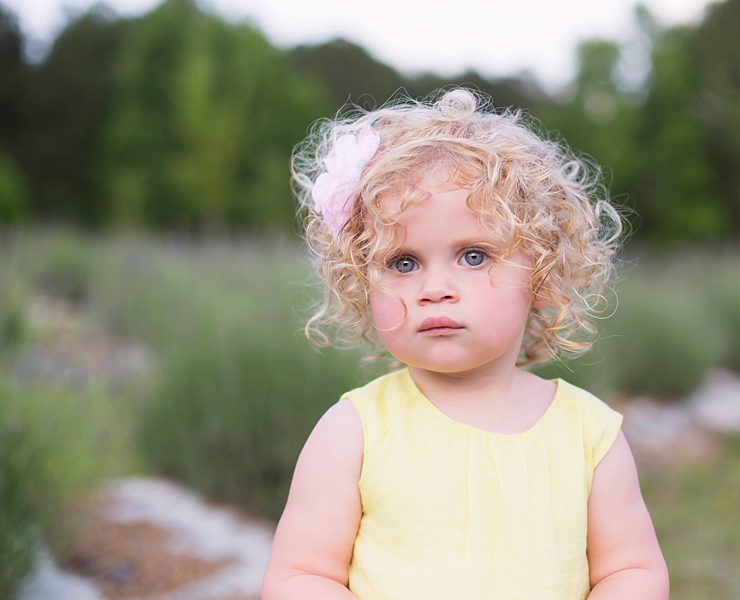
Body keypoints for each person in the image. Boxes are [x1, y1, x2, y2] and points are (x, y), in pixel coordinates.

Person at [261, 88, 668, 600]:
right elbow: (300, 577)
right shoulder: (354, 432)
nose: (435, 289)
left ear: (540, 275)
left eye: (473, 256)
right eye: (403, 263)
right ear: (363, 283)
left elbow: (630, 571)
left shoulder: (590, 435)